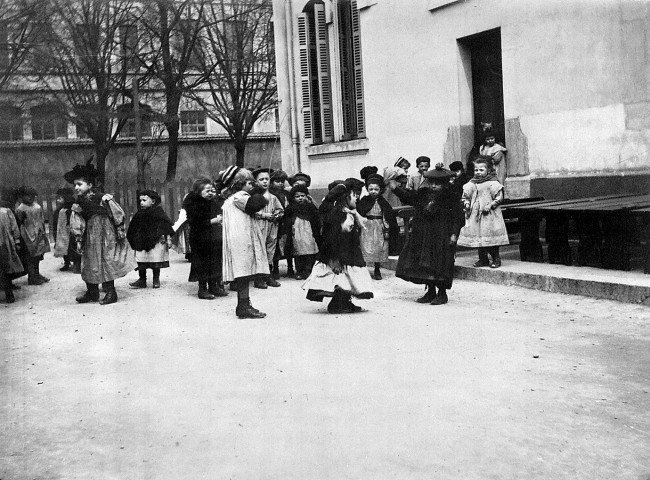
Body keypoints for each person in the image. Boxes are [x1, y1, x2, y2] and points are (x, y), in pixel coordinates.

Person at [66, 160, 136, 305]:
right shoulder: (78, 203)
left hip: (106, 234)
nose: (76, 188)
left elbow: (117, 213)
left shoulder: (103, 198)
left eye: (79, 184)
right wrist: (79, 238)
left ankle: (111, 292)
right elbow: (77, 221)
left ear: (90, 185)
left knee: (107, 260)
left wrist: (120, 229)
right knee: (89, 261)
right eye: (75, 185)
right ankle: (92, 292)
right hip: (90, 235)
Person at [392, 166, 465, 305]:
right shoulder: (423, 195)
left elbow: (458, 218)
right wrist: (396, 189)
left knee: (441, 264)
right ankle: (430, 291)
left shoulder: (450, 199)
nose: (433, 186)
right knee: (425, 263)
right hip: (424, 235)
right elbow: (409, 196)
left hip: (442, 236)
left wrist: (454, 234)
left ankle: (442, 293)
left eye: (437, 183)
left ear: (445, 184)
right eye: (431, 183)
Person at [302, 180, 373, 314]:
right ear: (345, 198)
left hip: (348, 253)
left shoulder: (349, 213)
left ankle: (345, 302)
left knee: (348, 279)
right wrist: (334, 259)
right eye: (354, 195)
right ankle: (337, 304)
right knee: (339, 278)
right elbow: (331, 239)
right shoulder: (338, 215)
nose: (357, 198)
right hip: (338, 253)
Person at [220, 166, 270, 319]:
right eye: (249, 182)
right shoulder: (239, 196)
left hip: (237, 238)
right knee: (243, 272)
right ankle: (243, 306)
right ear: (239, 184)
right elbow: (253, 205)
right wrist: (262, 192)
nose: (251, 185)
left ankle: (244, 304)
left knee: (244, 274)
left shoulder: (232, 198)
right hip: (241, 240)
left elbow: (251, 211)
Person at [458, 156, 510, 268]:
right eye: (476, 170)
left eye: (481, 170)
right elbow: (465, 196)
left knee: (490, 235)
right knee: (478, 236)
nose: (478, 172)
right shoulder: (472, 183)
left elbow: (499, 197)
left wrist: (491, 205)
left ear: (488, 170)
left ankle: (496, 258)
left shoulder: (493, 183)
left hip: (490, 214)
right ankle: (483, 259)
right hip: (475, 214)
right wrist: (467, 203)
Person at [182, 178, 227, 299]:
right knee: (202, 263)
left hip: (214, 236)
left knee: (215, 261)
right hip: (200, 238)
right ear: (198, 191)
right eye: (207, 191)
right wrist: (213, 220)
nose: (211, 193)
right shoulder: (193, 204)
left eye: (212, 190)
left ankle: (214, 286)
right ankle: (202, 289)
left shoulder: (212, 202)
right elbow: (195, 222)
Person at [126, 190, 175, 289]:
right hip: (142, 240)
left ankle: (156, 279)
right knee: (141, 260)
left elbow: (166, 224)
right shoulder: (139, 214)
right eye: (140, 201)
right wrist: (133, 238)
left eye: (144, 200)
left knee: (155, 260)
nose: (141, 203)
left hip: (156, 240)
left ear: (153, 201)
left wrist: (168, 238)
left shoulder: (158, 212)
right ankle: (142, 280)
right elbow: (133, 227)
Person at [357, 174, 398, 280]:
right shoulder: (364, 201)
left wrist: (387, 228)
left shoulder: (383, 202)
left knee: (378, 248)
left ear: (380, 190)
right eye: (371, 189)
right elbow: (359, 213)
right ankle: (363, 269)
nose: (373, 191)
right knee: (366, 247)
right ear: (367, 189)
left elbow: (387, 215)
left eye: (376, 189)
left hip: (379, 227)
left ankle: (377, 268)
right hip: (366, 227)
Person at [252, 168, 284, 289]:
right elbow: (251, 211)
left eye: (267, 179)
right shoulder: (253, 196)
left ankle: (268, 275)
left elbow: (280, 209)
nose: (265, 182)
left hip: (271, 226)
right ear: (256, 182)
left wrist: (278, 214)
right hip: (258, 225)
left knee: (270, 249)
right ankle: (258, 278)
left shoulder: (273, 197)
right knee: (259, 250)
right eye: (261, 179)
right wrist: (263, 215)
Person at [284, 183, 321, 280]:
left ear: (306, 196)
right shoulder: (291, 208)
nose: (300, 198)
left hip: (308, 233)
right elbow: (287, 220)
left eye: (302, 196)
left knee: (309, 252)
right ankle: (299, 271)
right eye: (297, 196)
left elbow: (316, 219)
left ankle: (308, 270)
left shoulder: (310, 207)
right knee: (298, 252)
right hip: (297, 233)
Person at [15, 186, 51, 285]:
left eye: (32, 196)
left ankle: (37, 274)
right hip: (27, 235)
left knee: (38, 256)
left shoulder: (37, 207)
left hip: (38, 234)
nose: (30, 198)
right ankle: (32, 277)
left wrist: (42, 232)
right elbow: (19, 223)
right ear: (22, 197)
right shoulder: (21, 209)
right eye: (27, 196)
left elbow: (41, 219)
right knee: (30, 257)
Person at [0, 188, 25, 302]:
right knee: (5, 269)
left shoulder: (6, 210)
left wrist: (16, 241)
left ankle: (9, 293)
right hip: (4, 244)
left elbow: (14, 227)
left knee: (6, 268)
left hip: (4, 244)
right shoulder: (6, 210)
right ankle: (8, 292)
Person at [269, 170, 293, 279]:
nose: (280, 184)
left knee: (288, 244)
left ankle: (290, 268)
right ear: (272, 182)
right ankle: (275, 268)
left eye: (282, 181)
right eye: (277, 181)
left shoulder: (287, 194)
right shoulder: (270, 194)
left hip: (286, 221)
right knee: (275, 246)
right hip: (275, 222)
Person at [53, 187, 81, 273]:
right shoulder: (59, 210)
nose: (58, 200)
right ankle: (66, 262)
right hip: (62, 232)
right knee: (64, 247)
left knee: (73, 247)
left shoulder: (73, 208)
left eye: (60, 198)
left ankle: (77, 264)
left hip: (71, 232)